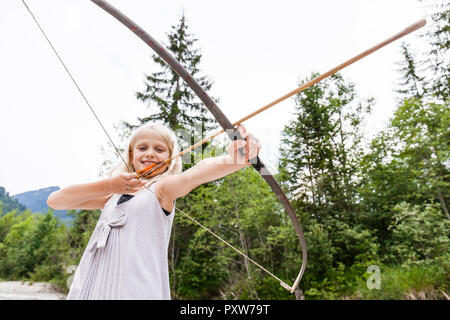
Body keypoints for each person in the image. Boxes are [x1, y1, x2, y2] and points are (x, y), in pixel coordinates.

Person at [47, 123, 261, 300]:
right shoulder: (111, 196)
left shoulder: (162, 189)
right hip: (96, 289)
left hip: (137, 291)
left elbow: (196, 173)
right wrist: (109, 186)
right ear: (131, 155)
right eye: (142, 148)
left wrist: (237, 158)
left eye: (159, 150)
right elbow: (56, 201)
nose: (150, 154)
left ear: (171, 156)